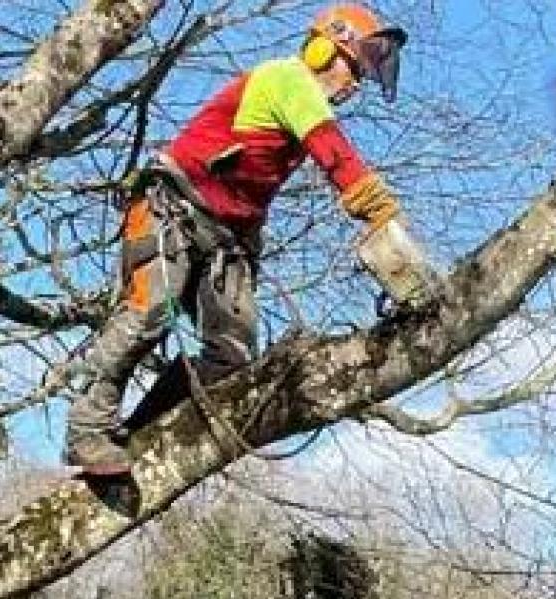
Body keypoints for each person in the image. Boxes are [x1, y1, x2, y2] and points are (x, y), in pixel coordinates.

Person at [65, 4, 412, 474]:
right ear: (322, 49)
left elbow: (257, 184)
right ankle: (88, 430)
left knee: (232, 357)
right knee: (151, 314)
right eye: (354, 68)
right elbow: (333, 151)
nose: (355, 84)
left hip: (227, 240)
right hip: (172, 208)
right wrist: (378, 209)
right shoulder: (287, 80)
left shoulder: (298, 111)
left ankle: (142, 435)